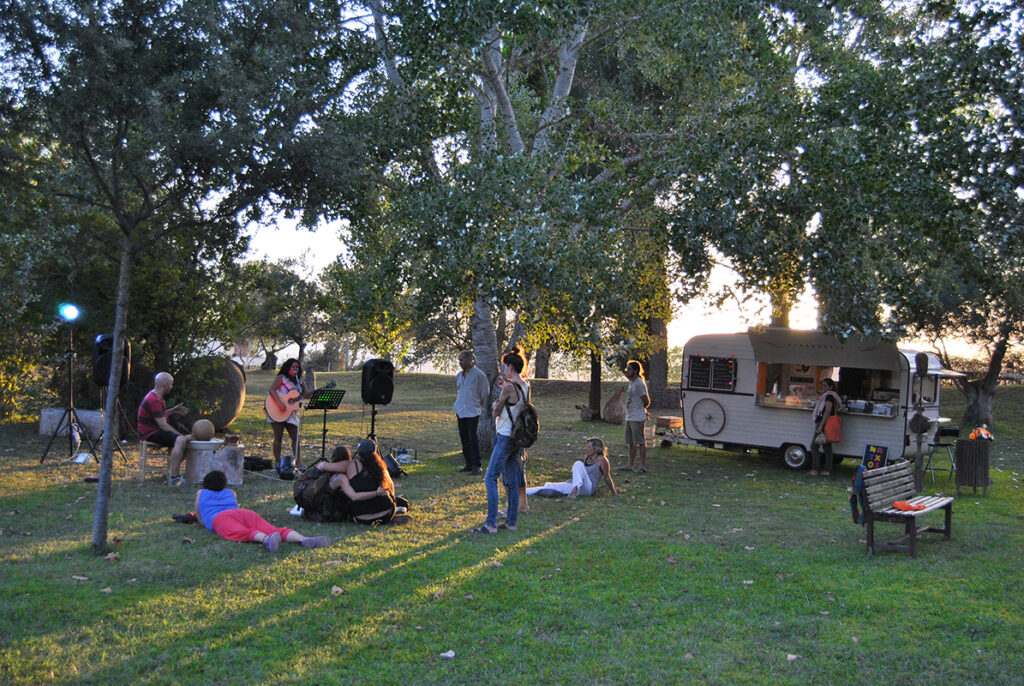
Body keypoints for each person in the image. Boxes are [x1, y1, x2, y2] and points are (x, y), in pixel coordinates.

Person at [195, 470, 330, 551]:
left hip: (220, 519)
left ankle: (266, 540)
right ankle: (304, 539)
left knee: (242, 532)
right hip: (242, 513)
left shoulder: (201, 492)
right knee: (274, 529)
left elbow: (200, 517)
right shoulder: (230, 492)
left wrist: (203, 522)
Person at [473, 346, 530, 534]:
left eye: (505, 366)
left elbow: (495, 411)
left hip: (505, 435)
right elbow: (517, 404)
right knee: (512, 481)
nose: (503, 370)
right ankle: (511, 523)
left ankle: (490, 524)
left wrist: (495, 403)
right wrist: (503, 390)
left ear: (511, 367)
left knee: (490, 478)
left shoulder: (508, 387)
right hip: (517, 438)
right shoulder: (525, 386)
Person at [319, 439, 401, 524]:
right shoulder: (381, 468)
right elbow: (390, 488)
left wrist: (319, 467)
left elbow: (354, 496)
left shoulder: (352, 466)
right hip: (386, 512)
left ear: (359, 452)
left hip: (360, 516)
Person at [137, 371, 192, 486]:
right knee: (181, 440)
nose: (172, 387)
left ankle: (172, 471)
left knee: (186, 441)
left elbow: (158, 415)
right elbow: (163, 425)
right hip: (149, 433)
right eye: (171, 384)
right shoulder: (155, 400)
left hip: (154, 430)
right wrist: (180, 436)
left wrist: (173, 410)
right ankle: (174, 478)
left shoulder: (155, 396)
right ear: (165, 385)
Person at [527, 437, 618, 498]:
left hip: (588, 488)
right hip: (576, 485)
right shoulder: (586, 457)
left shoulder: (602, 460)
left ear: (596, 448)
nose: (587, 449)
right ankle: (521, 491)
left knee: (578, 464)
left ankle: (574, 490)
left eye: (589, 447)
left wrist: (614, 493)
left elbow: (607, 477)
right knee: (550, 486)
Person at [266, 358, 311, 479]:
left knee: (295, 438)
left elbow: (308, 394)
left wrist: (314, 390)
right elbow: (272, 390)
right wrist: (280, 404)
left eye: (297, 367)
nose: (295, 369)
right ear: (287, 367)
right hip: (277, 409)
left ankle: (299, 463)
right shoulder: (282, 378)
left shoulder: (299, 381)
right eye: (293, 367)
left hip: (291, 412)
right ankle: (278, 463)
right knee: (278, 438)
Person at [454, 350, 490, 475]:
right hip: (460, 410)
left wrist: (480, 405)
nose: (460, 362)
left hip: (472, 411)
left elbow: (485, 393)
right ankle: (468, 463)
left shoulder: (479, 375)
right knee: (464, 438)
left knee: (472, 438)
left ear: (470, 360)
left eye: (462, 360)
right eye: (459, 360)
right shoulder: (459, 375)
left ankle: (477, 465)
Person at [810, 378, 842, 476]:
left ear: (830, 387)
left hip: (824, 423)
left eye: (825, 386)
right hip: (827, 423)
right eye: (822, 385)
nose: (823, 387)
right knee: (827, 447)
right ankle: (827, 470)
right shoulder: (832, 396)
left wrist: (821, 426)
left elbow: (827, 411)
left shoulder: (829, 396)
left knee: (814, 446)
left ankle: (815, 469)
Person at [624, 360, 651, 473]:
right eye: (627, 369)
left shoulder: (640, 383)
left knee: (640, 441)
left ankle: (642, 466)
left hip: (637, 417)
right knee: (631, 442)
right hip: (630, 417)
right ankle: (630, 465)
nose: (627, 371)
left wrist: (642, 410)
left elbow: (646, 400)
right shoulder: (632, 383)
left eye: (629, 369)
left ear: (635, 371)